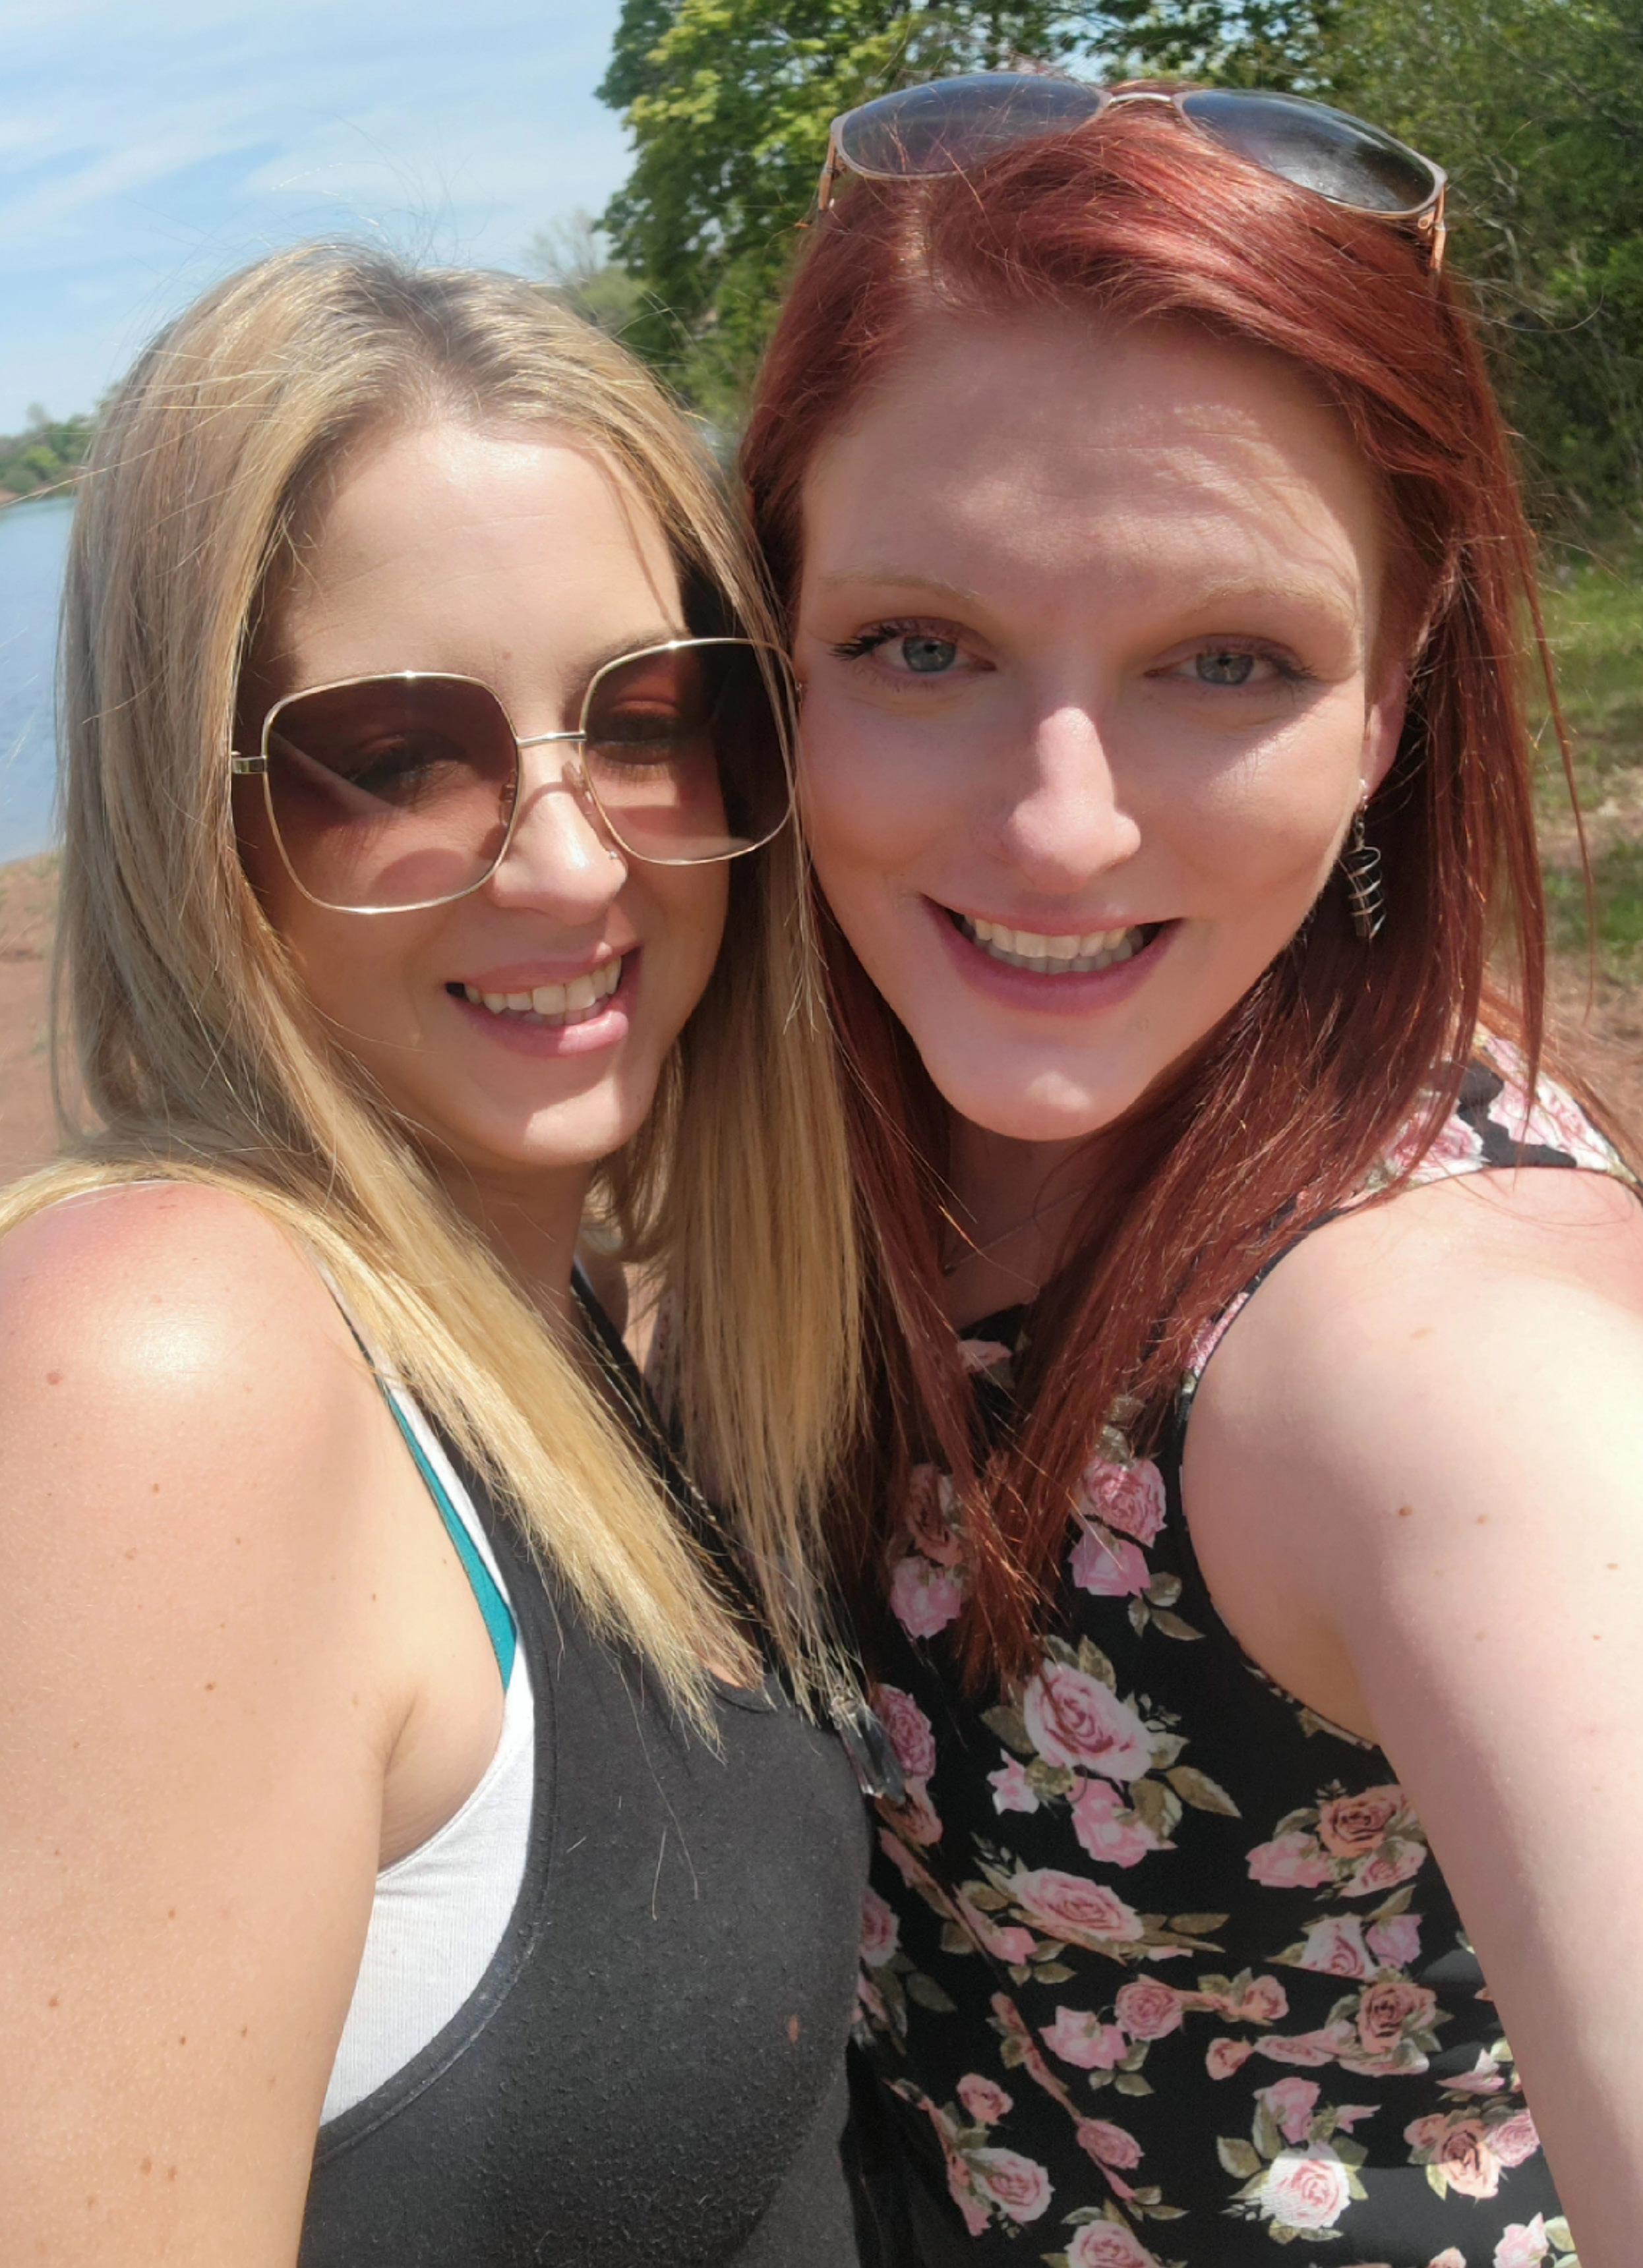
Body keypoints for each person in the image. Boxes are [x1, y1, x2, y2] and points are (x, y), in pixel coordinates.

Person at [742, 76, 1643, 2268]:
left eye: (1223, 661)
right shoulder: (797, 1151)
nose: (1060, 825)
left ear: (1391, 694)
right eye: (920, 645)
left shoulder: (1436, 1363)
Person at [0, 247, 872, 2267]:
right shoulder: (172, 1369)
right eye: (396, 757)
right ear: (194, 811)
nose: (570, 860)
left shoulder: (554, 1314)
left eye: (650, 717)